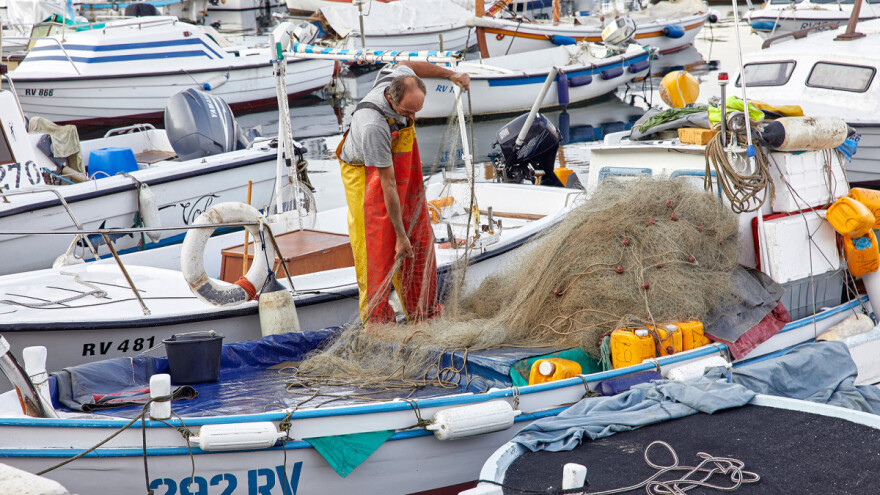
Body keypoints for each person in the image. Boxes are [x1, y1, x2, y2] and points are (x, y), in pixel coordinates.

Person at [337, 62, 470, 324]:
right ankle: (376, 323)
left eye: (417, 111)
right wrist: (399, 235)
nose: (412, 117)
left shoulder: (401, 76)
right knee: (376, 251)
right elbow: (386, 183)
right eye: (407, 112)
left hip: (396, 165)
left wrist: (451, 74)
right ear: (391, 98)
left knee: (419, 239)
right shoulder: (373, 125)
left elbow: (411, 64)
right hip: (364, 173)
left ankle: (421, 313)